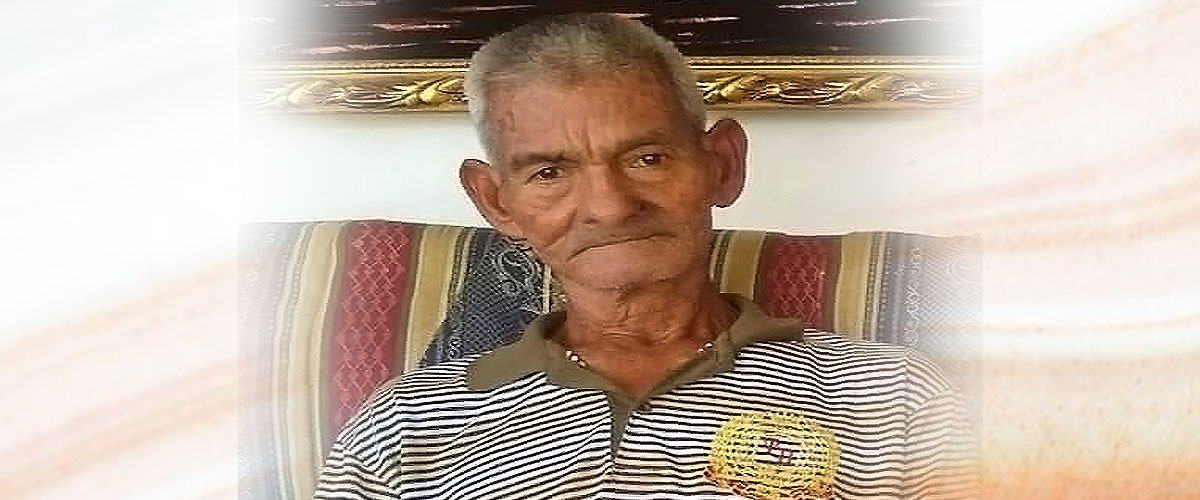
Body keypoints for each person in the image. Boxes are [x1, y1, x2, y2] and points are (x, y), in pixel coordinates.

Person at [314, 13, 976, 500]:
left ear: (721, 165)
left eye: (647, 158)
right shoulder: (405, 424)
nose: (609, 206)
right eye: (549, 172)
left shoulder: (895, 401)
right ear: (497, 201)